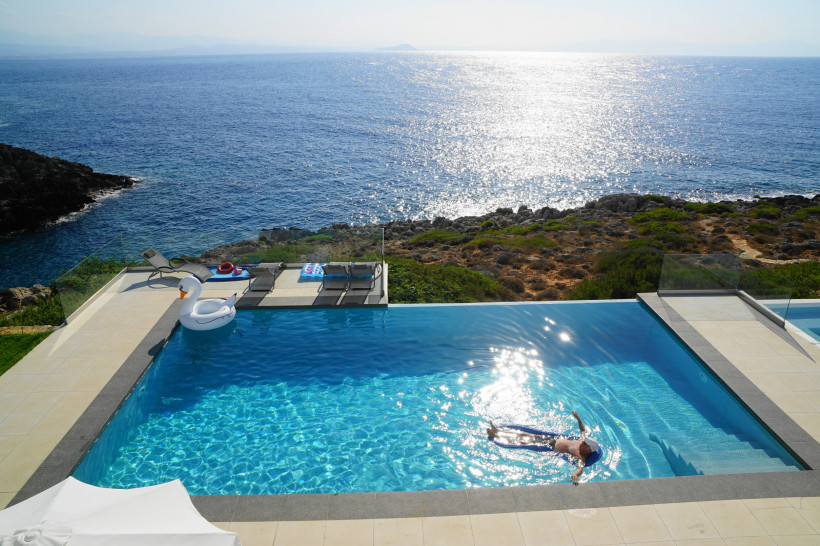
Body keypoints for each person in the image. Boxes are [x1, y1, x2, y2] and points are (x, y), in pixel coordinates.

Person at [486, 410, 599, 483]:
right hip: (553, 439)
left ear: (588, 449)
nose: (583, 442)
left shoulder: (581, 456)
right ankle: (498, 431)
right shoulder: (582, 441)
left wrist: (575, 475)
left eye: (585, 444)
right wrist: (578, 417)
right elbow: (583, 430)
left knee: (525, 441)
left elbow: (581, 467)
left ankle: (496, 436)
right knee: (525, 435)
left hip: (550, 446)